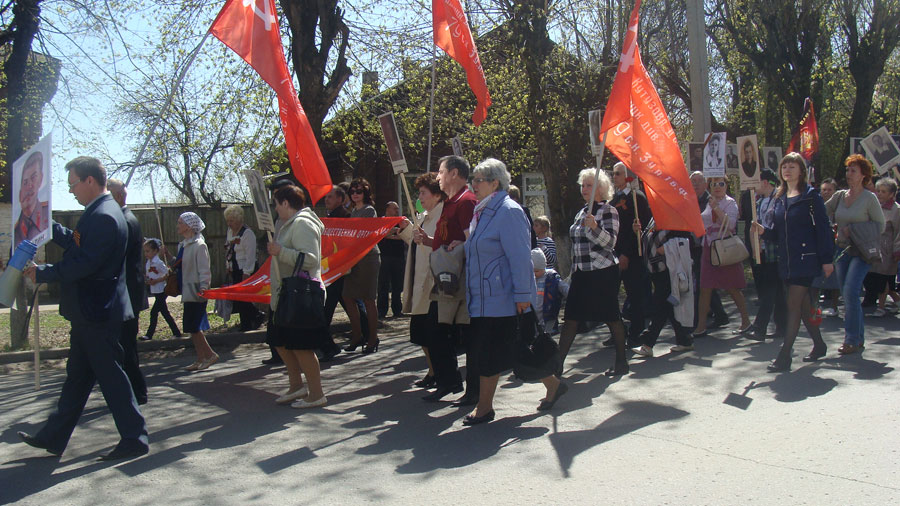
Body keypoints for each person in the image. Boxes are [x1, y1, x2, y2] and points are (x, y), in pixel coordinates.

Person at [18, 156, 148, 460]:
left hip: (97, 312)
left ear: (90, 180)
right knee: (77, 377)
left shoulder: (104, 215)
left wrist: (45, 271)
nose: (71, 191)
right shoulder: (99, 211)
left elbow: (86, 263)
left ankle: (134, 438)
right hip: (91, 311)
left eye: (73, 184)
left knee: (112, 378)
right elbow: (80, 245)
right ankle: (54, 436)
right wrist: (46, 225)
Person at [461, 158, 565, 425]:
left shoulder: (508, 211)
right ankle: (552, 384)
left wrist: (522, 296)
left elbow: (520, 258)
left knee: (491, 351)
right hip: (484, 297)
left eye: (478, 180)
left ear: (495, 183)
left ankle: (484, 408)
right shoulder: (482, 211)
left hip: (504, 297)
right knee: (513, 350)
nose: (473, 184)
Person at [753, 153, 834, 371]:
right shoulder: (780, 197)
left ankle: (785, 355)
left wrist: (827, 259)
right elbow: (779, 233)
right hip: (786, 260)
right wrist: (763, 231)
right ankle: (819, 344)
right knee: (803, 305)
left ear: (801, 170)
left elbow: (824, 229)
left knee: (792, 305)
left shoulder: (810, 196)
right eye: (784, 166)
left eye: (792, 166)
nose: (787, 170)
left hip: (806, 260)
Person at [558, 168, 630, 377]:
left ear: (601, 188)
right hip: (582, 272)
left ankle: (621, 361)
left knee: (611, 317)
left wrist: (595, 227)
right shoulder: (581, 212)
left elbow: (610, 243)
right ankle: (557, 365)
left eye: (589, 185)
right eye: (583, 185)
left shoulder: (608, 211)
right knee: (571, 318)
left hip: (602, 272)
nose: (584, 189)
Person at [421, 155, 478, 405]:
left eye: (441, 172)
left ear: (454, 173)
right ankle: (449, 380)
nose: (438, 177)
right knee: (435, 331)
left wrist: (463, 244)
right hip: (445, 278)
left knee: (450, 333)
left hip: (458, 281)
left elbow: (473, 241)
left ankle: (467, 388)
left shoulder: (466, 202)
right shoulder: (451, 202)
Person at [267, 184, 328, 408]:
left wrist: (280, 251)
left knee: (301, 345)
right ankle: (296, 386)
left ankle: (316, 393)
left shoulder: (302, 224)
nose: (275, 209)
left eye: (276, 204)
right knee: (281, 341)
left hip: (300, 293)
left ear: (285, 203)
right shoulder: (288, 224)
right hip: (286, 293)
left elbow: (311, 259)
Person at [825, 154, 885, 354]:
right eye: (847, 170)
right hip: (842, 250)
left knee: (850, 291)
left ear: (863, 176)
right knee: (847, 294)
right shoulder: (840, 196)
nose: (849, 174)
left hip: (861, 252)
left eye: (853, 171)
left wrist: (856, 230)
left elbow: (880, 225)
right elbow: (822, 211)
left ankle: (850, 339)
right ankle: (858, 338)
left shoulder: (870, 198)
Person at [397, 173, 446, 389]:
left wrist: (426, 239)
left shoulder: (445, 215)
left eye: (423, 193)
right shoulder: (425, 215)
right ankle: (433, 370)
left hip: (435, 284)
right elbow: (417, 242)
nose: (420, 197)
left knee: (434, 334)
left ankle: (441, 373)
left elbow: (447, 246)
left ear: (437, 194)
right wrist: (408, 229)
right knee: (421, 334)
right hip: (420, 282)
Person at [692, 176, 753, 337]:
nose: (717, 187)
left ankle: (746, 321)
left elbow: (731, 225)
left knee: (732, 287)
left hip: (724, 248)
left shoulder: (730, 203)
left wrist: (716, 209)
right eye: (713, 184)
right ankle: (701, 326)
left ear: (726, 186)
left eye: (721, 184)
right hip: (708, 248)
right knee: (705, 288)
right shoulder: (708, 201)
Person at [107, 179, 149, 405]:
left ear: (119, 196)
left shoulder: (126, 220)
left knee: (126, 345)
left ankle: (137, 391)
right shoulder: (123, 218)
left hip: (128, 295)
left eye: (108, 195)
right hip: (125, 294)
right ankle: (132, 391)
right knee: (124, 344)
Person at [631, 218, 695, 357]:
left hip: (668, 270)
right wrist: (639, 232)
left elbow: (685, 239)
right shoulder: (653, 219)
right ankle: (685, 340)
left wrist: (665, 248)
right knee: (668, 306)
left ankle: (648, 343)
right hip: (655, 270)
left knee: (660, 306)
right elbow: (650, 239)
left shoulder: (673, 218)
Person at [322, 185, 367, 359]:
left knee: (329, 308)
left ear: (340, 199)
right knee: (349, 304)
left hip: (341, 270)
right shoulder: (328, 218)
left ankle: (328, 346)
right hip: (332, 268)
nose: (327, 200)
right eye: (326, 197)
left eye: (330, 197)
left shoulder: (345, 217)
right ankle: (365, 334)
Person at [610, 162, 652, 346]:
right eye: (613, 173)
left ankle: (636, 331)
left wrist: (627, 253)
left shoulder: (638, 198)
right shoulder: (613, 200)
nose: (614, 177)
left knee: (635, 295)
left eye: (618, 173)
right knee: (611, 295)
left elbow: (638, 230)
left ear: (627, 177)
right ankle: (617, 331)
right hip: (614, 254)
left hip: (633, 256)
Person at [743, 169, 786, 341]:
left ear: (765, 182)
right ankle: (782, 326)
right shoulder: (758, 202)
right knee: (776, 292)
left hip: (776, 251)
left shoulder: (779, 200)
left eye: (756, 182)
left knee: (769, 290)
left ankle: (760, 328)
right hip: (762, 251)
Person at [343, 177, 381, 354]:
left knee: (368, 299)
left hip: (368, 258)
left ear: (365, 193)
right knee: (348, 296)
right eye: (352, 191)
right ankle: (357, 335)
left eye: (359, 191)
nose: (355, 194)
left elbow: (364, 234)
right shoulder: (352, 212)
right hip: (353, 259)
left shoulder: (369, 210)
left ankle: (373, 338)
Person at [177, 212, 217, 371]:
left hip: (196, 290)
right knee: (190, 327)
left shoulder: (200, 245)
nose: (178, 225)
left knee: (194, 326)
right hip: (187, 289)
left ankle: (210, 354)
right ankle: (200, 358)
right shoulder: (184, 244)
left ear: (189, 225)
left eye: (180, 222)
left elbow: (204, 269)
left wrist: (204, 287)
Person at [689, 172, 729, 328]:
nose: (696, 184)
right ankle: (720, 314)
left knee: (703, 283)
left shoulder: (709, 199)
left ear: (706, 184)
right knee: (705, 282)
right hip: (694, 244)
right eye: (693, 181)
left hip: (707, 245)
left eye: (700, 181)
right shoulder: (691, 199)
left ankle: (699, 321)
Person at [224, 205, 264, 331]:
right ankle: (249, 321)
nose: (229, 223)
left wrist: (247, 272)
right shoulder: (230, 232)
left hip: (246, 269)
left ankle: (254, 317)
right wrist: (228, 265)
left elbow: (251, 255)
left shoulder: (247, 234)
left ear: (239, 220)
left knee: (243, 297)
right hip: (234, 268)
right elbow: (228, 249)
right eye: (228, 220)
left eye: (231, 220)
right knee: (238, 298)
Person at [869, 178, 900, 317]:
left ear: (892, 193)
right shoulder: (874, 205)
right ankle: (897, 301)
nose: (880, 194)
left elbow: (898, 232)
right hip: (874, 247)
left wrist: (896, 250)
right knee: (878, 278)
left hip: (888, 249)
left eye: (884, 191)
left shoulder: (896, 210)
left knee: (884, 278)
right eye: (879, 191)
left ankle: (880, 307)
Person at [141, 239, 181, 340]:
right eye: (145, 251)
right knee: (164, 312)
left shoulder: (158, 262)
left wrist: (157, 280)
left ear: (155, 251)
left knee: (154, 312)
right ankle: (176, 332)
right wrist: (148, 280)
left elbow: (167, 274)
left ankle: (149, 335)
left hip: (162, 290)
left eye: (148, 251)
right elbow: (149, 275)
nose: (146, 253)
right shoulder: (148, 263)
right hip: (155, 290)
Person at [14, 150, 50, 246]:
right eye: (25, 182)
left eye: (33, 177)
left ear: (41, 178)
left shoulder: (47, 216)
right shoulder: (17, 229)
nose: (30, 186)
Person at [377, 201, 406, 319]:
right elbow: (381, 235)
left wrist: (391, 233)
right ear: (387, 209)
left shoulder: (401, 221)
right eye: (395, 209)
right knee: (383, 285)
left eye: (398, 209)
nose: (397, 211)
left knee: (397, 285)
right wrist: (390, 233)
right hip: (384, 257)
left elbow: (403, 236)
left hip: (398, 257)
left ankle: (397, 310)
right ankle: (381, 311)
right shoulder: (381, 221)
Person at [532, 248, 568, 335]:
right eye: (531, 271)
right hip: (534, 314)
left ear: (544, 267)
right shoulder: (530, 279)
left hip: (549, 311)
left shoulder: (551, 277)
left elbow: (562, 286)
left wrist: (570, 293)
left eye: (537, 271)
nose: (534, 274)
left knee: (548, 335)